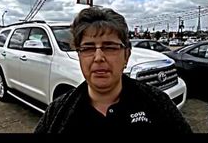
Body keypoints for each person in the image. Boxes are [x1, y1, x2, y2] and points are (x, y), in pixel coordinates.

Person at [34, 7, 193, 134]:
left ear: (126, 55)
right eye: (88, 48)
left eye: (109, 47)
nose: (98, 57)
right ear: (79, 56)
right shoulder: (58, 112)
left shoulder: (159, 104)